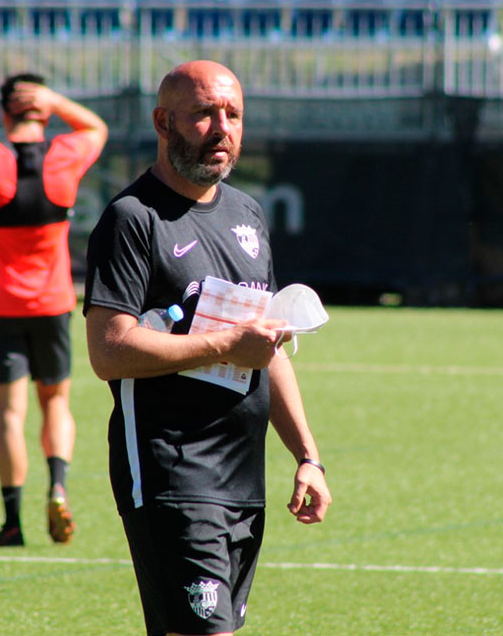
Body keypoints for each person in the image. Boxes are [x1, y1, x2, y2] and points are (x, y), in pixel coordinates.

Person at [83, 60, 332, 636]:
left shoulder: (247, 213)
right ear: (163, 122)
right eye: (202, 114)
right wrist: (225, 343)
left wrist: (308, 458)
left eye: (233, 114)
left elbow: (265, 348)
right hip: (172, 473)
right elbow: (108, 351)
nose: (221, 128)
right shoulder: (132, 219)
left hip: (243, 479)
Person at [0, 73, 108, 547]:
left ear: (3, 112)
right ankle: (60, 487)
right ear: (43, 111)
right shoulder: (67, 153)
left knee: (10, 415)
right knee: (57, 402)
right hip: (53, 305)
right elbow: (97, 128)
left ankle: (12, 523)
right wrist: (58, 101)